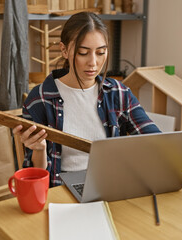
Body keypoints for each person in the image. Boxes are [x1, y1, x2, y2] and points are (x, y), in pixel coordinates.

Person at [13, 12, 160, 187]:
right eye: (83, 53)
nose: (93, 62)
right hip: (61, 187)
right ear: (64, 50)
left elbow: (155, 142)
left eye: (101, 52)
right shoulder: (39, 98)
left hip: (110, 184)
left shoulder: (118, 93)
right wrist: (39, 149)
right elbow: (36, 176)